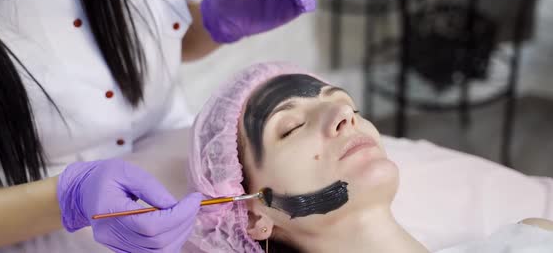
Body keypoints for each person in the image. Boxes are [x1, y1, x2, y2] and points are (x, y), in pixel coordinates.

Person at [0, 0, 319, 251]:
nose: (345, 121)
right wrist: (70, 198)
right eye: (290, 128)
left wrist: (214, 21)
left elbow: (157, 41)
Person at [186, 62, 553, 252]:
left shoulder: (532, 238)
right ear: (253, 215)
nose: (344, 116)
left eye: (347, 104)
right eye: (292, 126)